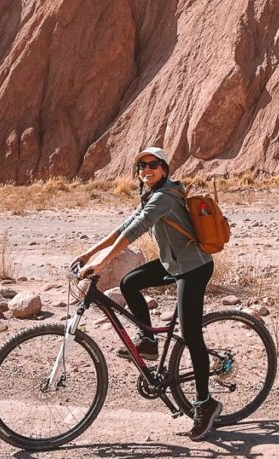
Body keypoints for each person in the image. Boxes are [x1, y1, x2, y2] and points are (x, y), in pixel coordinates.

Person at [75, 146, 221, 441]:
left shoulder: (164, 197)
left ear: (165, 169)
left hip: (193, 268)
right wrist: (87, 253)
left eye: (153, 164)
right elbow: (122, 228)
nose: (146, 169)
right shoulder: (150, 195)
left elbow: (137, 230)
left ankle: (206, 404)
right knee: (129, 283)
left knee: (191, 335)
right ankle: (150, 343)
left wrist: (101, 263)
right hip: (172, 263)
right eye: (141, 166)